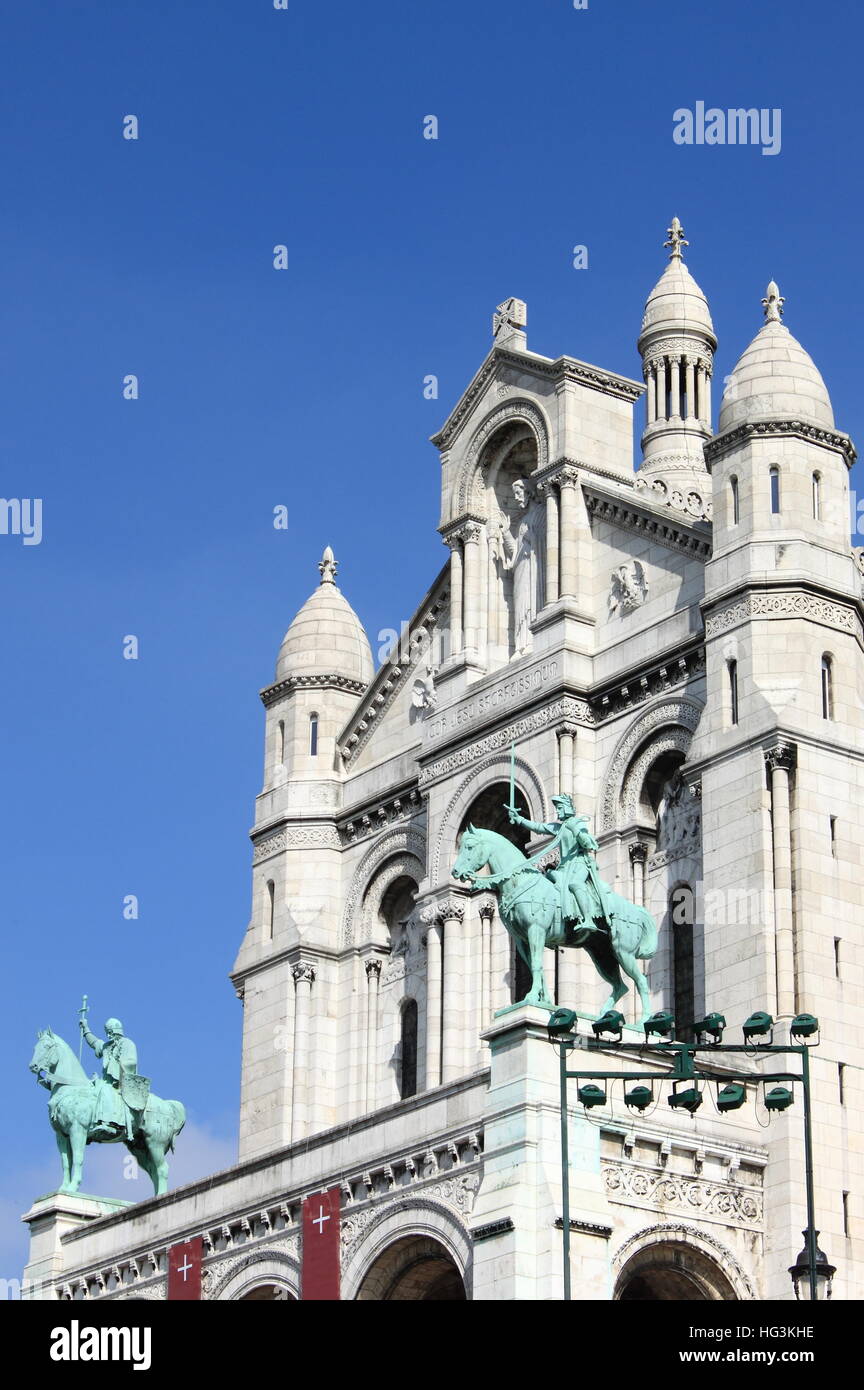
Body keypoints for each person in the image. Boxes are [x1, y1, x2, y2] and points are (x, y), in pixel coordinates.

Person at [506, 794, 614, 931]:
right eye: (557, 808)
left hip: (580, 862)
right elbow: (539, 827)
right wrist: (519, 819)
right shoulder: (559, 828)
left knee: (575, 883)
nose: (557, 811)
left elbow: (589, 844)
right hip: (564, 867)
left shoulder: (577, 823)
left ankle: (588, 919)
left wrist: (576, 831)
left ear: (567, 808)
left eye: (560, 807)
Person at [80, 1017, 139, 1140]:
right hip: (107, 1081)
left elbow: (132, 1062)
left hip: (120, 1082)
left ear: (117, 1031)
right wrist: (85, 1028)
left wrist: (118, 1063)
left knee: (105, 1090)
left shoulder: (127, 1043)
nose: (108, 1035)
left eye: (111, 1032)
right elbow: (95, 1043)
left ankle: (110, 1124)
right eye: (107, 1032)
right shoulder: (107, 1046)